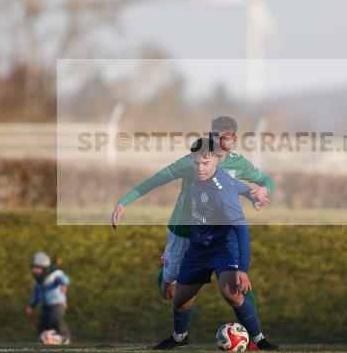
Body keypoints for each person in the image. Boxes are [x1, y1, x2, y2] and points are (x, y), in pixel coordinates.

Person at [112, 116, 273, 313]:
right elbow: (155, 180)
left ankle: (256, 339)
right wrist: (123, 202)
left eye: (227, 138)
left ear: (234, 140)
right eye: (216, 137)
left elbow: (266, 181)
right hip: (185, 230)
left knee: (237, 280)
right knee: (169, 293)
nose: (221, 143)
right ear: (209, 136)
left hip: (219, 234)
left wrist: (262, 191)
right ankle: (166, 267)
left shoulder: (239, 164)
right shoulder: (192, 162)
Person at [152, 137, 278, 351]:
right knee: (179, 299)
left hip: (222, 247)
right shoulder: (194, 176)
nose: (200, 168)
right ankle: (179, 337)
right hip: (198, 247)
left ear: (216, 161)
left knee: (232, 293)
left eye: (206, 163)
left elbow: (241, 230)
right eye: (197, 162)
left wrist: (243, 270)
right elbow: (237, 184)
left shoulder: (222, 191)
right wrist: (250, 193)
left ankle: (259, 340)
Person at [25, 251, 71, 344]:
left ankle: (64, 337)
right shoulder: (38, 281)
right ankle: (45, 341)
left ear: (44, 268)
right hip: (46, 306)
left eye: (38, 268)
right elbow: (36, 294)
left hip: (58, 304)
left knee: (54, 319)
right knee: (43, 323)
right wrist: (31, 305)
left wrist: (64, 285)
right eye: (34, 268)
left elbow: (64, 279)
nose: (35, 271)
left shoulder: (55, 274)